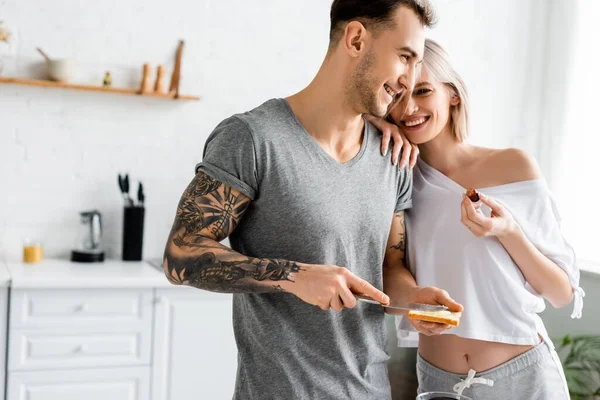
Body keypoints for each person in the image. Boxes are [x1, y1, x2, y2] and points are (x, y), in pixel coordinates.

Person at [162, 2, 465, 399]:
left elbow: (388, 265)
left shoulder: (393, 156)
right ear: (356, 39)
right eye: (404, 57)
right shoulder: (254, 139)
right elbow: (179, 255)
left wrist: (412, 299)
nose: (409, 81)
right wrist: (293, 276)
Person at [370, 38, 584, 400]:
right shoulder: (393, 175)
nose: (409, 108)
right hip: (438, 383)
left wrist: (508, 231)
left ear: (452, 94)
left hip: (526, 378)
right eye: (398, 96)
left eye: (423, 91)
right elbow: (391, 270)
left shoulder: (512, 165)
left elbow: (561, 292)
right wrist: (413, 299)